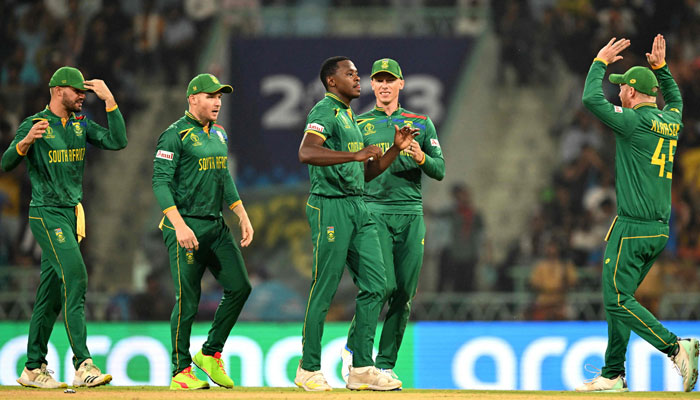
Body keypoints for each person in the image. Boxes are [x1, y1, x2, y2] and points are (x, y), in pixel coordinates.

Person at [576, 35, 698, 392]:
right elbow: (675, 99)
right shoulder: (670, 121)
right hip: (660, 229)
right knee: (622, 299)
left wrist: (599, 62)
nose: (618, 94)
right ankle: (613, 373)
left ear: (631, 92)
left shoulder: (631, 121)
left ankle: (677, 348)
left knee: (615, 299)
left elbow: (589, 98)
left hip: (632, 226)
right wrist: (662, 70)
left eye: (621, 88)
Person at [295, 56, 417, 392]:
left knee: (378, 286)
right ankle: (308, 368)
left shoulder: (349, 116)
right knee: (326, 286)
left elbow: (366, 171)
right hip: (330, 207)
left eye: (357, 73)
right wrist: (354, 154)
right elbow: (306, 152)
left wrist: (394, 150)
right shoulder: (325, 111)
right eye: (350, 74)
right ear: (332, 82)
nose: (358, 78)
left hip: (357, 204)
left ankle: (361, 367)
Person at [1, 66, 127, 388]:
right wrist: (26, 141)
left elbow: (117, 140)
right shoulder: (36, 124)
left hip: (71, 214)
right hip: (46, 213)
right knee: (76, 276)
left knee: (51, 294)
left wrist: (110, 99)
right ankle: (83, 364)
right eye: (77, 91)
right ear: (58, 90)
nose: (83, 96)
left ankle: (32, 368)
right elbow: (5, 164)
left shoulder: (80, 123)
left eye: (84, 92)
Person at [340, 58, 445, 383]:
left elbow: (439, 170)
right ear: (373, 85)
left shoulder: (421, 122)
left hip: (411, 212)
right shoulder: (358, 123)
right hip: (373, 212)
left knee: (404, 292)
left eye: (390, 80)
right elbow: (353, 170)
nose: (384, 85)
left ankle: (384, 365)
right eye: (378, 80)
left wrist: (420, 156)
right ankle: (358, 355)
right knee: (380, 286)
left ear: (401, 84)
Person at [152, 73, 253, 391]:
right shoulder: (174, 135)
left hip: (216, 226)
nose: (217, 102)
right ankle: (180, 371)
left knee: (240, 287)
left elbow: (224, 178)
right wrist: (179, 225)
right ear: (192, 98)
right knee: (189, 300)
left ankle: (210, 352)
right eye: (211, 96)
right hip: (186, 227)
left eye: (220, 97)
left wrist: (241, 214)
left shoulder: (220, 134)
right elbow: (159, 183)